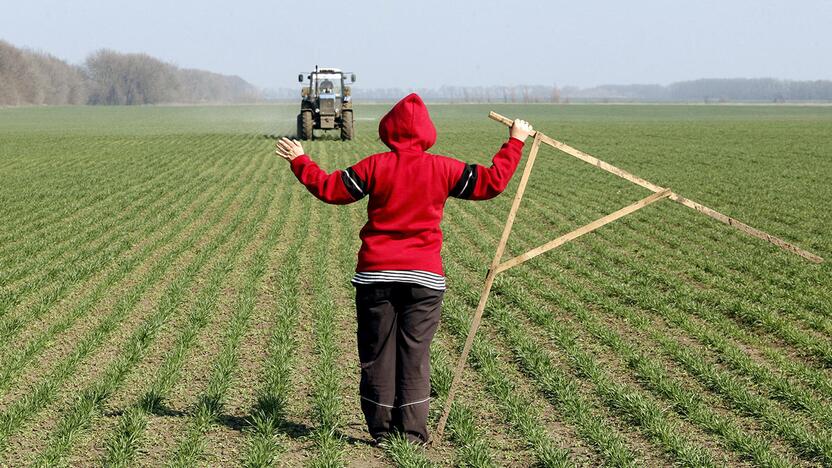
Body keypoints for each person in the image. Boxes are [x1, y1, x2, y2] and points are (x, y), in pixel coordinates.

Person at [275, 93, 532, 444]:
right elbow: (491, 183)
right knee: (414, 354)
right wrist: (515, 141)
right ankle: (411, 434)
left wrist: (302, 161)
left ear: (388, 130)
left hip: (375, 277)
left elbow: (332, 189)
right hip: (424, 280)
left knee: (378, 353)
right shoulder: (443, 168)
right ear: (428, 133)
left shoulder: (375, 165)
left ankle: (381, 431)